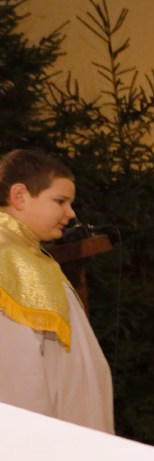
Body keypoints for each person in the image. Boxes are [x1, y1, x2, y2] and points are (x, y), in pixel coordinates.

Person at [0, 149, 113, 432]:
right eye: (60, 201)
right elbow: (18, 374)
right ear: (19, 196)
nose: (71, 214)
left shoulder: (28, 254)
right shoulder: (8, 259)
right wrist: (37, 442)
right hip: (42, 439)